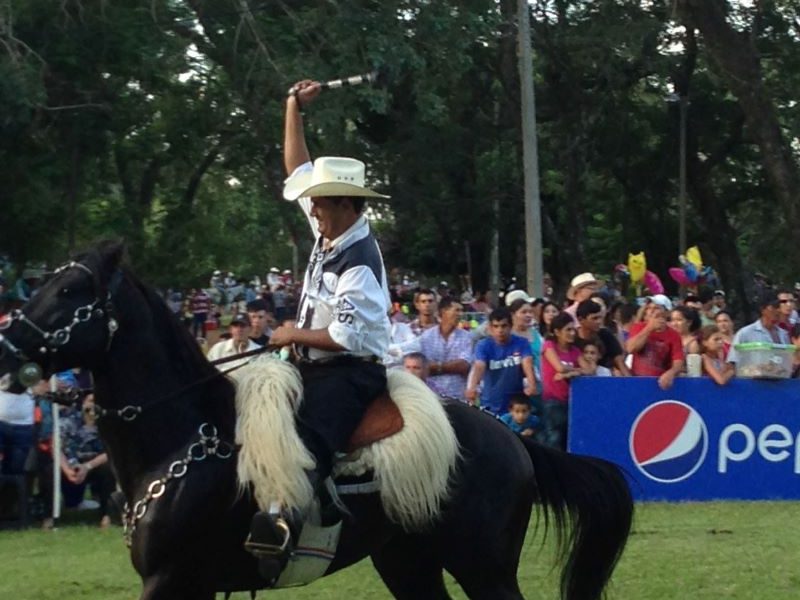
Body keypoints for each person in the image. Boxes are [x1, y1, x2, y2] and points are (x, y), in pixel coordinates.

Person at [247, 78, 392, 558]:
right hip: (313, 362)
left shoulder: (361, 262)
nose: (311, 208)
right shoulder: (332, 224)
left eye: (320, 201)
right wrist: (292, 105)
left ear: (347, 204)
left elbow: (346, 336)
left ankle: (288, 525)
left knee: (306, 432)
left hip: (352, 373)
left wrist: (290, 332)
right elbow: (297, 166)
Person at [465, 307, 536, 416]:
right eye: (496, 326)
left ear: (511, 326)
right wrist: (472, 387)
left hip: (515, 405)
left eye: (504, 326)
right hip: (490, 403)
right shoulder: (483, 345)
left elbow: (527, 363)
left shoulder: (522, 343)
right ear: (490, 328)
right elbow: (479, 366)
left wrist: (531, 384)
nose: (500, 330)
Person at [540, 313, 588, 450]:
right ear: (557, 331)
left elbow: (589, 370)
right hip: (553, 401)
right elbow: (559, 367)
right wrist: (575, 370)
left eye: (573, 329)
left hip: (571, 401)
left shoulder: (575, 351)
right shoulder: (549, 346)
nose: (572, 333)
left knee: (569, 440)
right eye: (568, 329)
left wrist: (571, 373)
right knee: (554, 440)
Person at [419, 298, 473, 400]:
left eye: (461, 311)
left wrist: (437, 367)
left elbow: (464, 365)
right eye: (456, 310)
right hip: (432, 396)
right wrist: (451, 367)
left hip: (457, 396)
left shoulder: (466, 337)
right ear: (444, 312)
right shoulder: (427, 337)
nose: (460, 314)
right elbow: (424, 366)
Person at [625, 295, 684, 390]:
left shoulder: (674, 335)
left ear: (666, 312)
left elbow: (678, 361)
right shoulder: (638, 327)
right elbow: (630, 348)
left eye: (656, 308)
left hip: (660, 383)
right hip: (637, 381)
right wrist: (649, 328)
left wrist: (671, 373)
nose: (651, 311)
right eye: (648, 308)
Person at [727, 293, 791, 365]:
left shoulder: (783, 334)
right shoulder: (745, 333)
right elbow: (733, 361)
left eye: (779, 307)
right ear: (763, 310)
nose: (778, 310)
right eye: (774, 307)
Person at [574, 300, 630, 376]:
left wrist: (630, 382)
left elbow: (619, 362)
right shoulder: (573, 338)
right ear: (581, 319)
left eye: (600, 318)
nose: (599, 321)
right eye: (594, 318)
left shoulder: (605, 335)